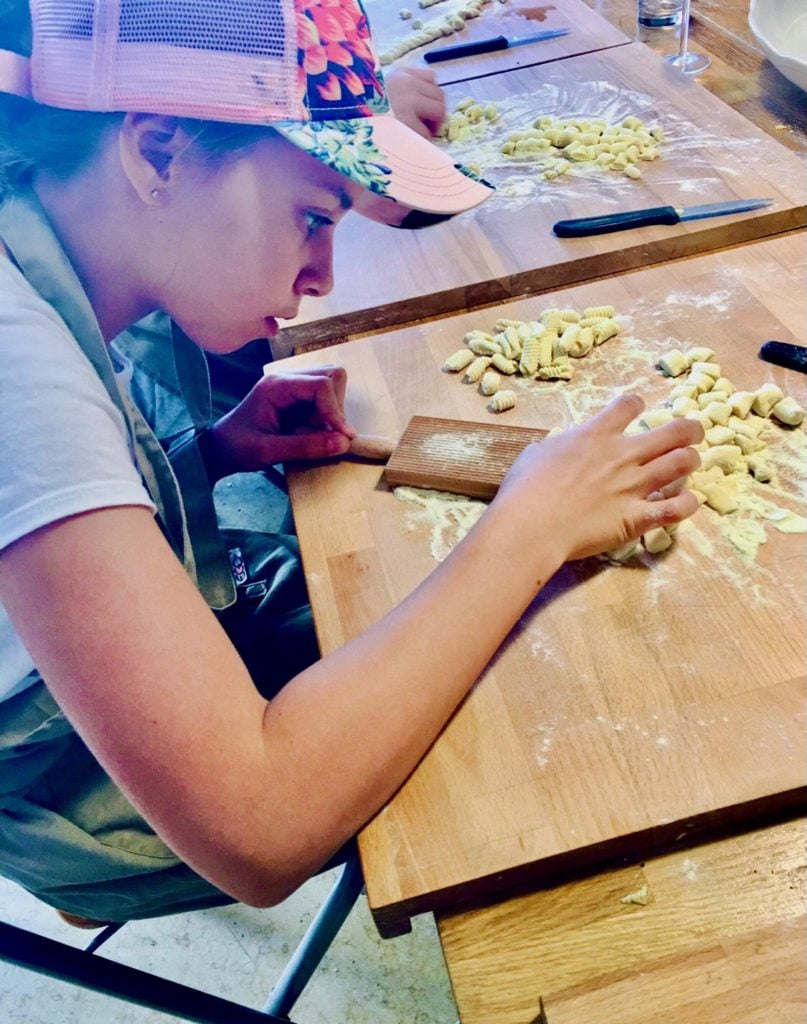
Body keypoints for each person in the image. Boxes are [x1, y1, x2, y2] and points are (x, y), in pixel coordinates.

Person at [0, 0, 703, 927]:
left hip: (81, 685)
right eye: (310, 217)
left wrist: (207, 454)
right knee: (531, 761)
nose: (322, 276)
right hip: (59, 784)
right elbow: (260, 827)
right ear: (160, 150)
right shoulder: (21, 372)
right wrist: (526, 526)